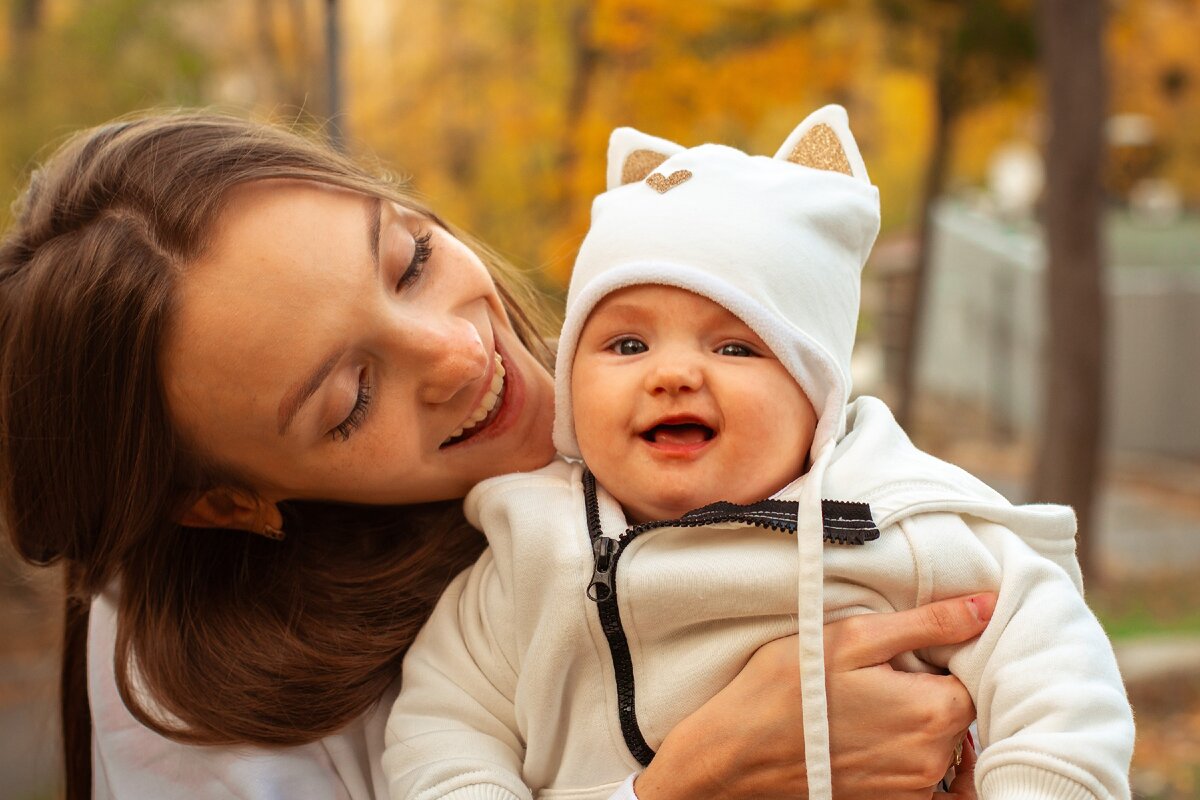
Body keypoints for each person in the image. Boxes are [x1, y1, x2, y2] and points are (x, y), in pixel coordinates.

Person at [0, 110, 989, 800]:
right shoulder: (195, 699)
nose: (459, 352)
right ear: (228, 502)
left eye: (412, 261)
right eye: (351, 398)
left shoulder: (684, 404)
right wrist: (694, 780)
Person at [383, 106, 1135, 800]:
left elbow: (1056, 670)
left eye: (736, 346)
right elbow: (444, 731)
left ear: (819, 394)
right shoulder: (525, 555)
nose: (672, 374)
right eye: (628, 344)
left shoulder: (897, 520)